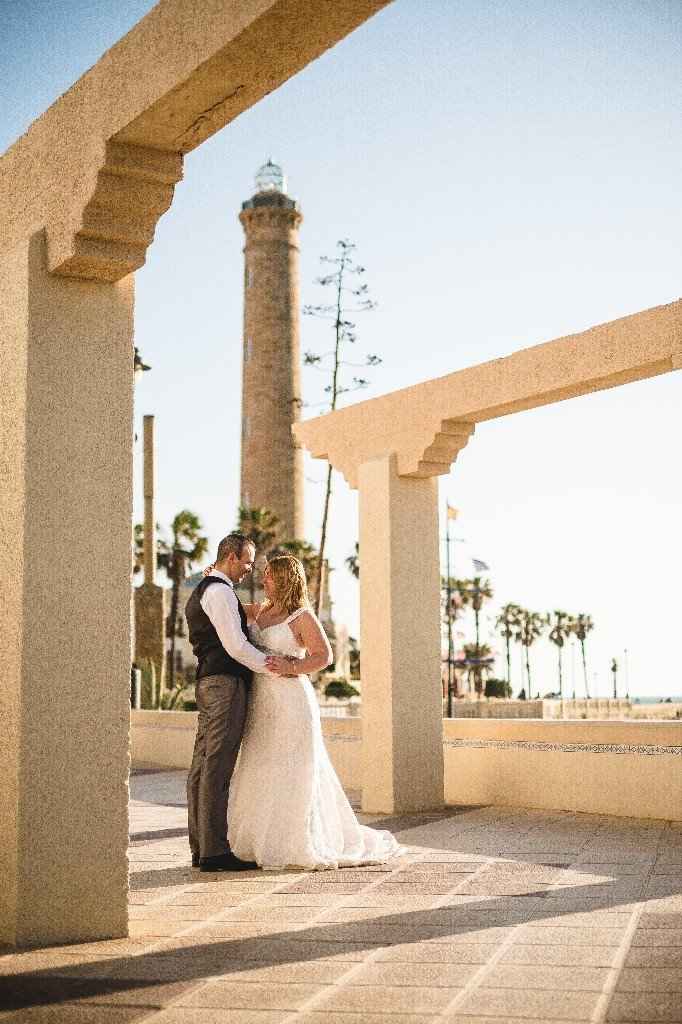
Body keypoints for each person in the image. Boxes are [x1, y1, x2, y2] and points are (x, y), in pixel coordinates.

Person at [226, 554, 402, 870]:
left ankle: (294, 842)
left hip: (293, 702)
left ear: (283, 578)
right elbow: (225, 606)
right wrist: (214, 574)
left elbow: (324, 656)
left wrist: (292, 666)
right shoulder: (260, 610)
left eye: (268, 575)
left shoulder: (301, 616)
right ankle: (257, 840)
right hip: (262, 703)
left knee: (294, 769)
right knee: (261, 763)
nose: (263, 579)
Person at [184, 532, 284, 872]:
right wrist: (273, 668)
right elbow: (236, 646)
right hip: (225, 684)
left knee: (203, 764)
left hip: (209, 682)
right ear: (230, 558)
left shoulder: (207, 589)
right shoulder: (219, 591)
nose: (250, 570)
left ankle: (201, 847)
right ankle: (214, 851)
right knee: (217, 765)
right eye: (247, 562)